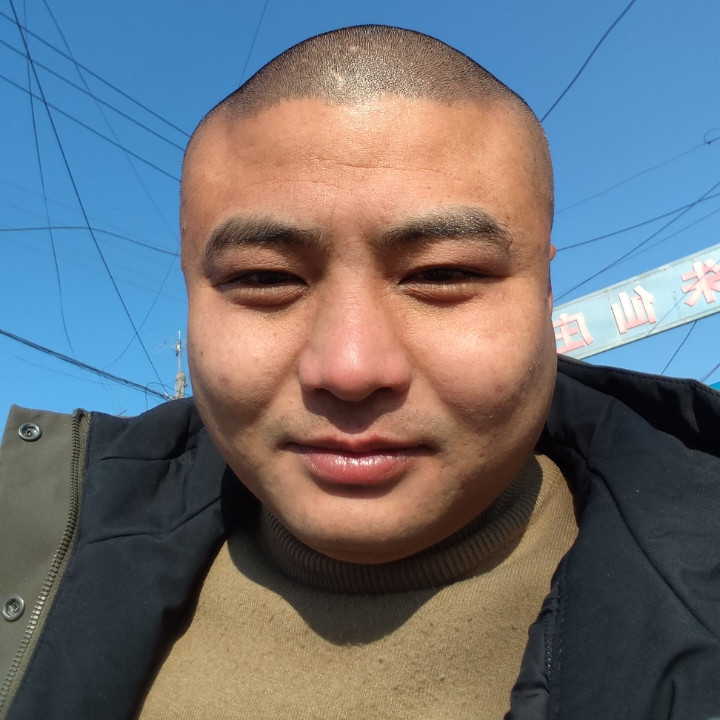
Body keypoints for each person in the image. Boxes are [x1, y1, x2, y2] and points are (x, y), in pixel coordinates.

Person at [0, 25, 718, 720]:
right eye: (264, 279)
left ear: (545, 292)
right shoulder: (27, 555)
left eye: (443, 274)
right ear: (190, 295)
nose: (349, 369)